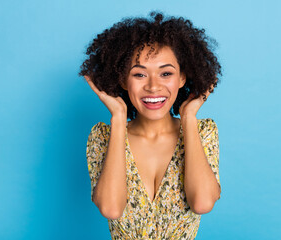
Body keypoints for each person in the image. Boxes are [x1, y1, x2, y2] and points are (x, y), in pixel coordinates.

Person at [80, 11, 222, 239]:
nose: (153, 87)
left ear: (182, 78)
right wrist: (118, 117)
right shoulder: (103, 137)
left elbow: (203, 203)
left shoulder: (203, 132)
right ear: (122, 80)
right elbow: (111, 208)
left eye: (166, 73)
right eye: (139, 75)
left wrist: (188, 117)